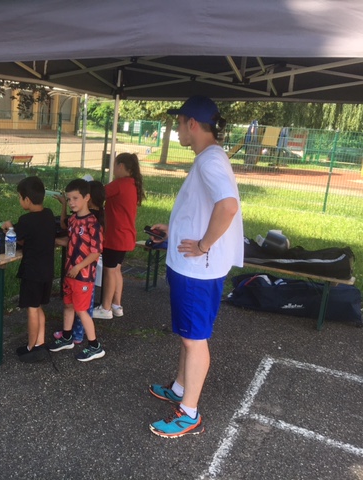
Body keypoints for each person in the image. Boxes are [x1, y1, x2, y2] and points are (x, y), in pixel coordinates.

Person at [147, 95, 243, 438]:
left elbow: (227, 207)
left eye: (178, 123)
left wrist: (203, 245)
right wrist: (175, 230)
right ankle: (179, 388)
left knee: (194, 340)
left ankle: (189, 413)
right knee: (189, 335)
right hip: (192, 268)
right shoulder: (209, 157)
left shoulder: (210, 161)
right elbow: (204, 208)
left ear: (192, 123)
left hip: (197, 271)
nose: (176, 131)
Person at [1, 176, 57, 363]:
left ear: (26, 199)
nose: (19, 200)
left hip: (32, 272)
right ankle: (40, 342)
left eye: (19, 197)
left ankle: (31, 348)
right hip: (47, 271)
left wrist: (9, 228)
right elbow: (30, 239)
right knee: (38, 306)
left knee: (32, 309)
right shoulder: (48, 214)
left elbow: (16, 238)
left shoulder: (25, 220)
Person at [48, 178, 105, 362]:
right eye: (69, 199)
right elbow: (71, 241)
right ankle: (67, 338)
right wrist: (52, 241)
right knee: (68, 305)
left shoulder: (93, 224)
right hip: (70, 273)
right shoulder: (73, 220)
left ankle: (95, 346)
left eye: (75, 198)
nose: (71, 202)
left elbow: (95, 252)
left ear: (87, 197)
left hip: (83, 276)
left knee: (81, 310)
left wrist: (79, 267)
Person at [93, 153, 145, 320]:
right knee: (116, 269)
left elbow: (98, 194)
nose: (113, 169)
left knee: (109, 271)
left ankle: (105, 308)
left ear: (121, 166)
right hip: (126, 235)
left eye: (114, 166)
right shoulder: (133, 184)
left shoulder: (119, 184)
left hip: (115, 235)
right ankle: (116, 305)